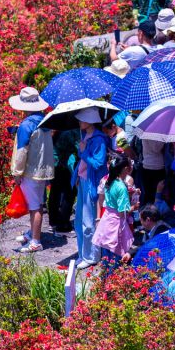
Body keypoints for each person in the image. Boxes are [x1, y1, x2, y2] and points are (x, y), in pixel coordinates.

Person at [8, 87, 55, 253]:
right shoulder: (45, 121)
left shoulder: (26, 125)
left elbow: (22, 151)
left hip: (30, 171)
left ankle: (36, 241)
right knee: (37, 203)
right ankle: (32, 233)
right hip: (43, 169)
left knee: (35, 206)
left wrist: (17, 172)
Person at [72, 108, 110, 269]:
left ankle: (91, 256)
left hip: (91, 182)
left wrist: (83, 153)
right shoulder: (85, 136)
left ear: (89, 121)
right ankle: (83, 253)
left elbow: (98, 163)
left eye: (82, 119)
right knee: (79, 220)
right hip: (83, 180)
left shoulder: (98, 139)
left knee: (89, 221)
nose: (79, 121)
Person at [92, 154, 138, 270]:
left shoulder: (109, 181)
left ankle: (104, 279)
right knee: (116, 260)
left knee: (106, 257)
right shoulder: (121, 187)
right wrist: (134, 207)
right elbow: (122, 212)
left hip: (106, 220)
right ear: (126, 169)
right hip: (116, 225)